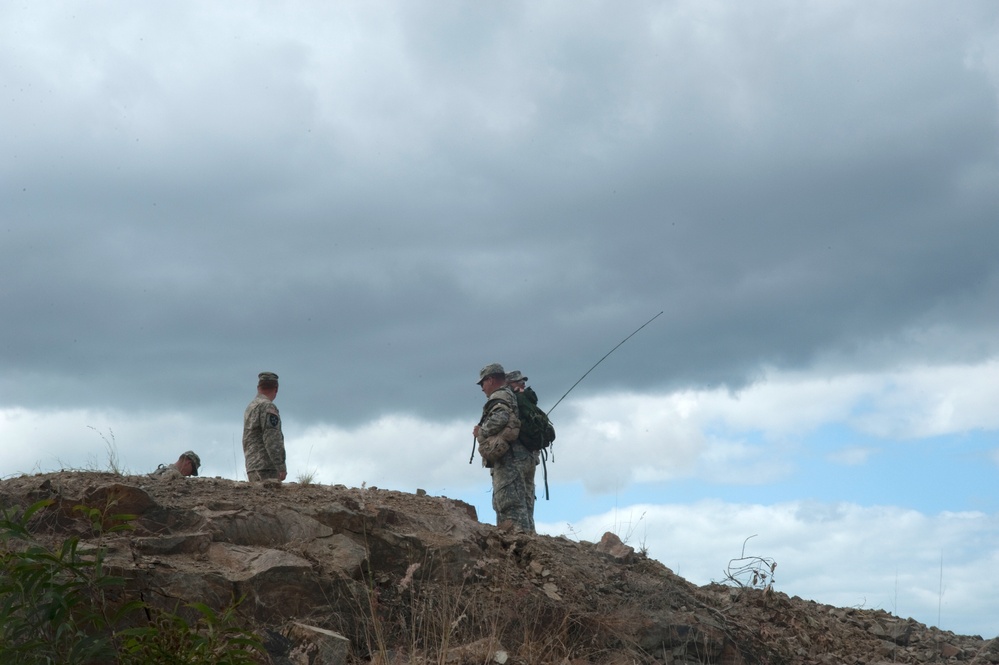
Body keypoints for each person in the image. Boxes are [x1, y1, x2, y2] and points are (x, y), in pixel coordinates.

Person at [473, 362, 535, 533]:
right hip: (526, 457)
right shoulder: (514, 395)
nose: (482, 388)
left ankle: (518, 547)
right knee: (525, 505)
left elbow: (500, 417)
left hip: (510, 459)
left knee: (510, 505)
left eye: (482, 383)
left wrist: (481, 431)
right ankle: (531, 545)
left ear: (491, 380)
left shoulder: (499, 396)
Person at [242, 371, 287, 482]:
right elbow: (272, 437)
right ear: (276, 389)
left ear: (258, 387)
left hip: (252, 465)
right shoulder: (267, 407)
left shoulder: (251, 407)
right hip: (266, 467)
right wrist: (280, 466)